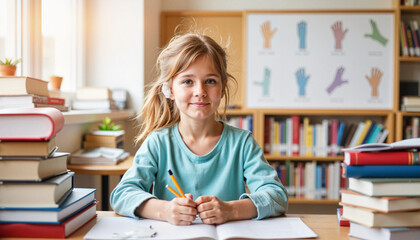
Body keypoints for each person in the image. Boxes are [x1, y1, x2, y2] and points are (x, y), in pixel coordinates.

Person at [110, 33, 288, 226]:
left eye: (210, 81)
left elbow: (276, 196)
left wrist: (231, 210)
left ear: (222, 87)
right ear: (169, 90)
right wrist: (165, 211)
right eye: (187, 81)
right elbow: (122, 195)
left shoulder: (242, 143)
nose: (200, 91)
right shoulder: (158, 142)